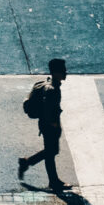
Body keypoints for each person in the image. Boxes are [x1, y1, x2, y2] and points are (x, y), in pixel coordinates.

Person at [18, 59, 72, 193]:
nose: (65, 72)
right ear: (56, 72)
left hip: (46, 124)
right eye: (63, 70)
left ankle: (27, 163)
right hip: (49, 125)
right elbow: (48, 110)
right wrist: (54, 125)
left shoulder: (50, 84)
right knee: (50, 153)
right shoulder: (52, 90)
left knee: (51, 152)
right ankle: (53, 181)